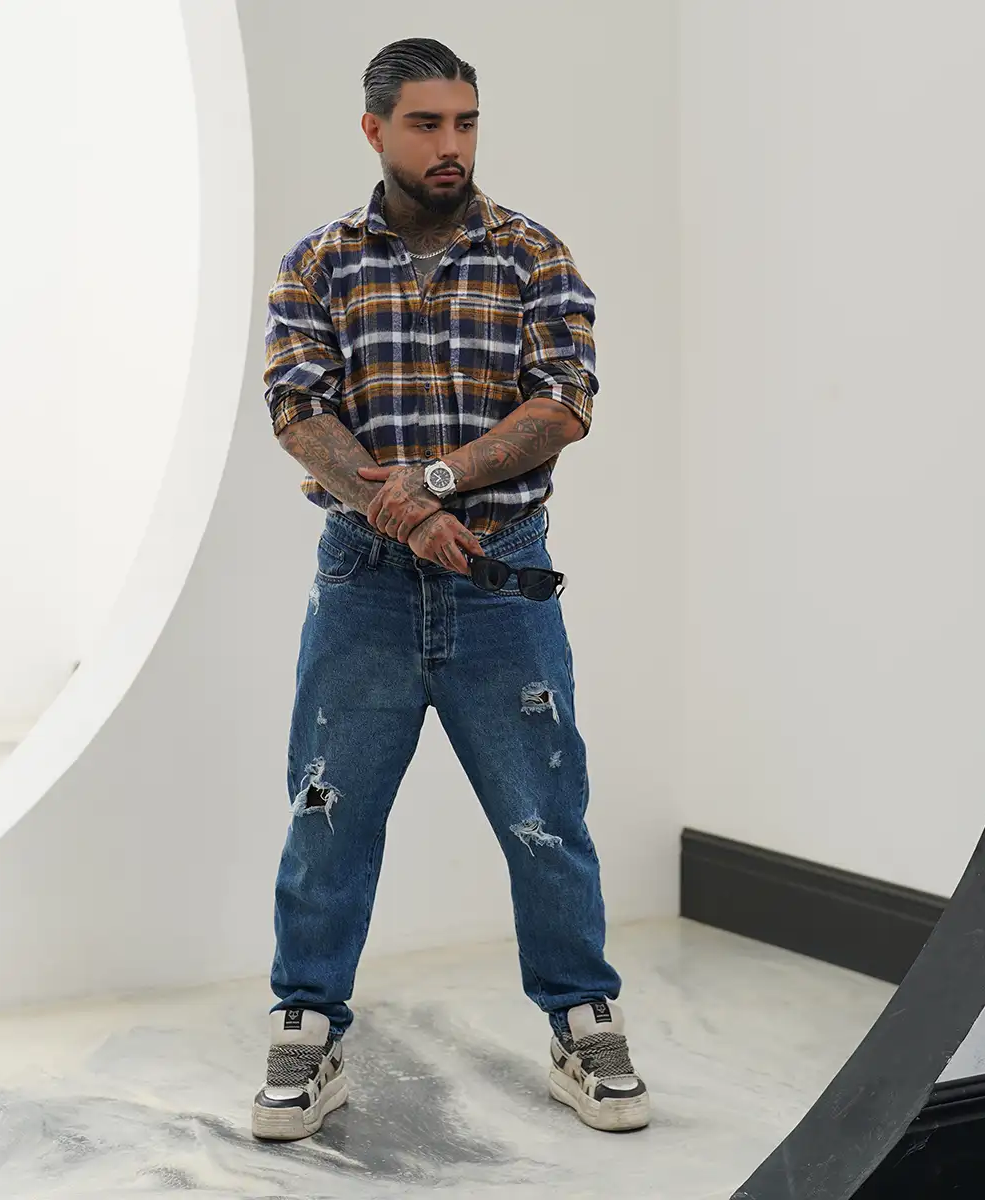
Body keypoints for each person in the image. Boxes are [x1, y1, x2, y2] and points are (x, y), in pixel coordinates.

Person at [252, 37, 649, 1142]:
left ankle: (584, 1022)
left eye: (465, 122)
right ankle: (305, 1026)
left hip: (501, 584)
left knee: (546, 818)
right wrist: (406, 518)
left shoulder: (532, 255)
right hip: (364, 586)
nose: (451, 145)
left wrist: (432, 485)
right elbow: (298, 410)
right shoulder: (318, 264)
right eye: (427, 124)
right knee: (328, 813)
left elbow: (564, 401)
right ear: (374, 129)